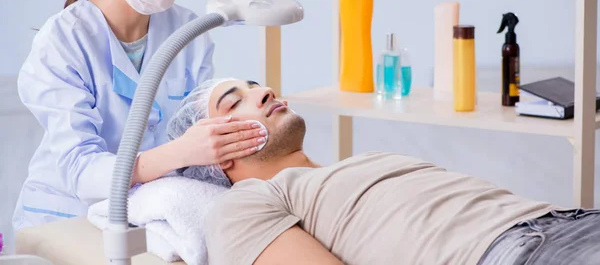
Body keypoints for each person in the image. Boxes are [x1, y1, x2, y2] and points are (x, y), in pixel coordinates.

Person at [13, 0, 267, 231]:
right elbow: (81, 170)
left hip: (151, 210)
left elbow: (197, 125)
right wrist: (181, 153)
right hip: (67, 218)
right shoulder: (64, 40)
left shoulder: (188, 30)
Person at [168, 78, 600, 265]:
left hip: (567, 220)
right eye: (234, 101)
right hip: (518, 253)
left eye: (255, 84)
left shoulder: (352, 167)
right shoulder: (245, 204)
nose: (264, 91)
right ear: (217, 154)